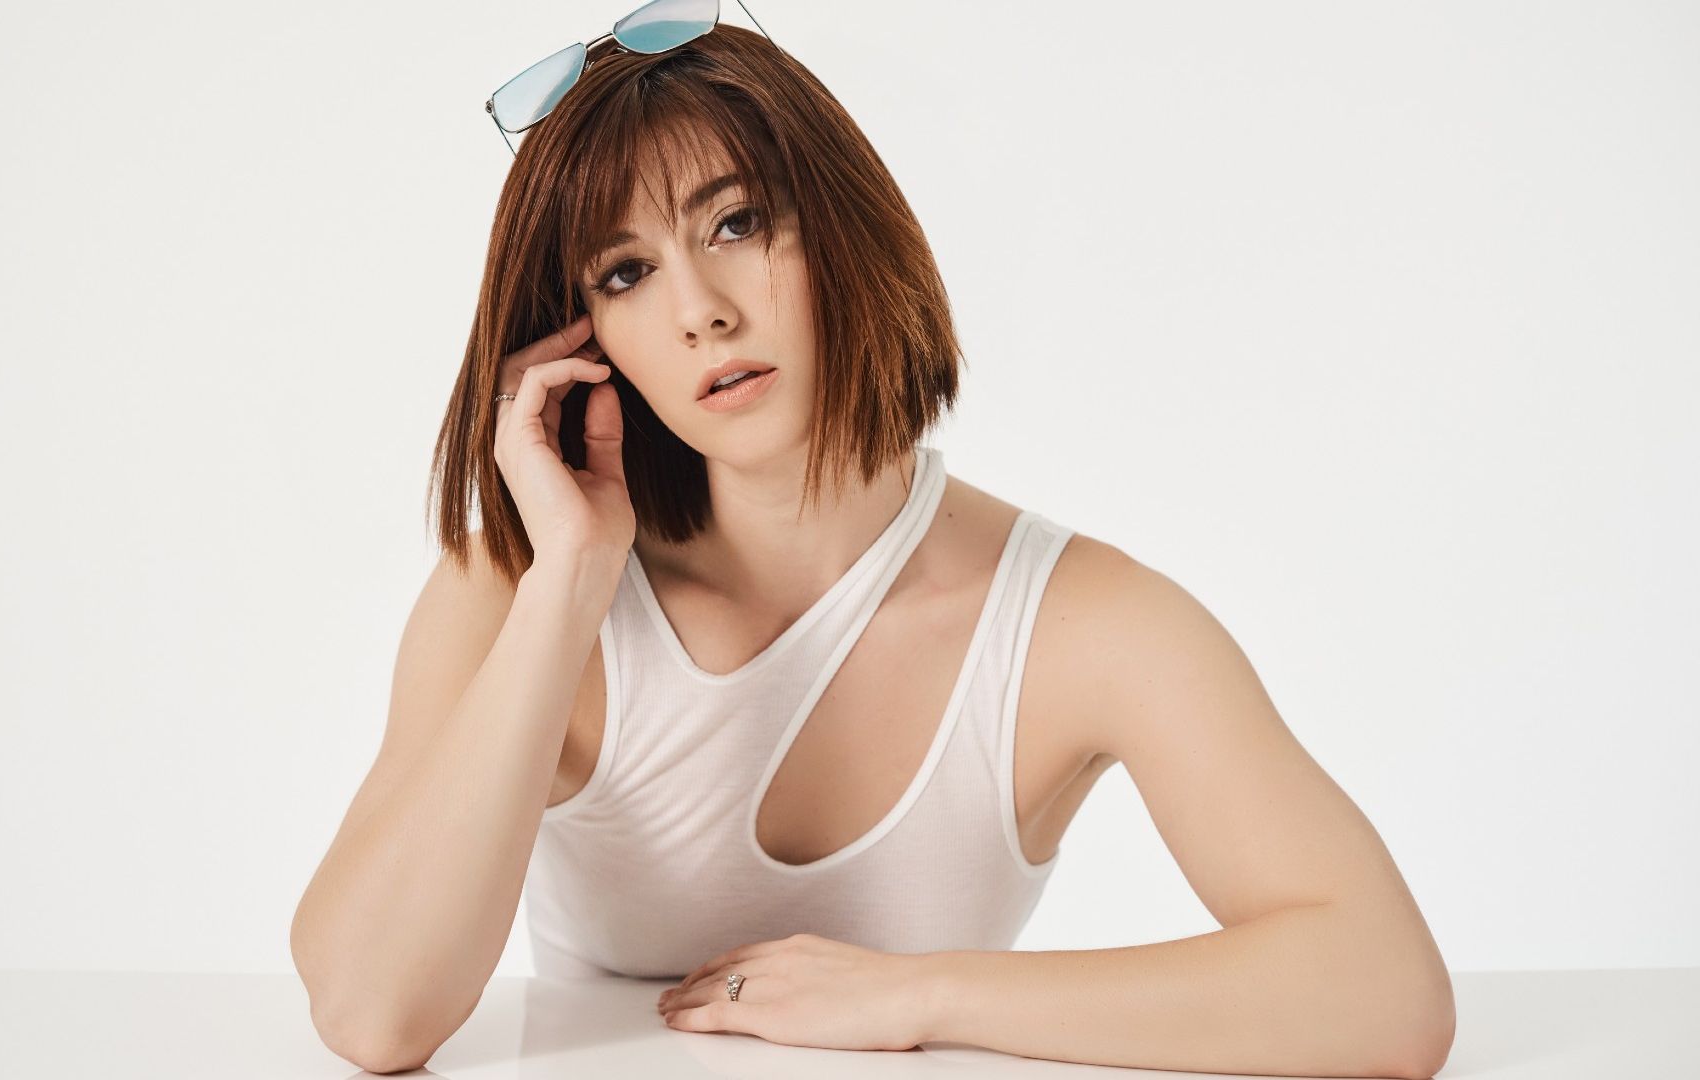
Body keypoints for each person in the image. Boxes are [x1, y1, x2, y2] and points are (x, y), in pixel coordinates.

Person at [290, 18, 1454, 1078]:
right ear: (582, 338)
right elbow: (371, 1015)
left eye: (737, 222)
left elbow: (1385, 995)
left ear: (840, 227)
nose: (700, 310)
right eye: (627, 272)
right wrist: (572, 583)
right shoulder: (513, 591)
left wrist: (917, 995)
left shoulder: (1086, 625)